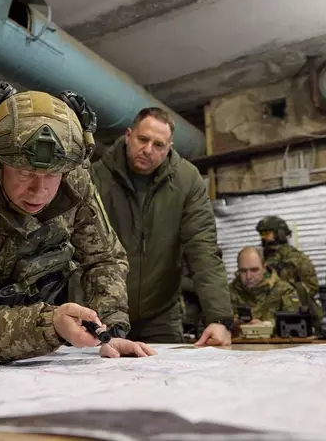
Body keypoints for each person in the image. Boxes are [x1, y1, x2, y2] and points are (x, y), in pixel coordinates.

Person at [0, 81, 155, 363]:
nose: (39, 191)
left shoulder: (73, 178)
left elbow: (104, 258)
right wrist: (49, 325)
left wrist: (111, 330)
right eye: (24, 174)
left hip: (33, 347)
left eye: (51, 176)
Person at [90, 107, 234, 346]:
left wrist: (219, 318)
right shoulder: (95, 177)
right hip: (101, 309)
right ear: (128, 136)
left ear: (169, 148)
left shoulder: (187, 181)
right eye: (142, 139)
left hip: (160, 314)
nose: (148, 150)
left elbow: (203, 248)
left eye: (158, 145)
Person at [229, 247, 301, 324]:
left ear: (264, 268)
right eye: (243, 271)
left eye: (254, 270)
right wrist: (234, 324)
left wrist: (266, 325)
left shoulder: (285, 291)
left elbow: (294, 321)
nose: (248, 276)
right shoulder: (229, 293)